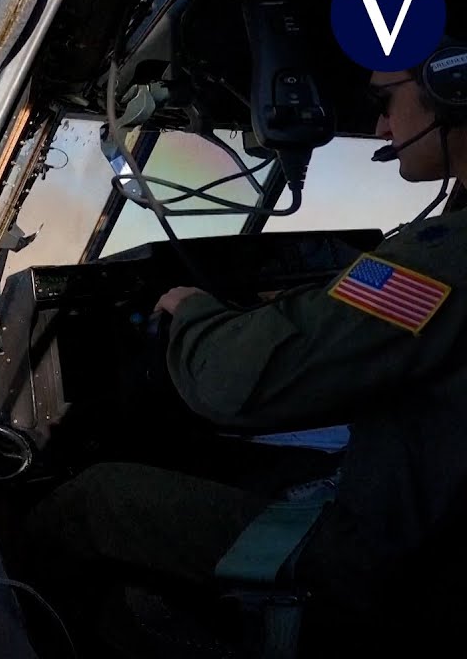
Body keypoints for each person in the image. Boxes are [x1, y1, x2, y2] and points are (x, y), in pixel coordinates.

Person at [26, 37, 467, 648]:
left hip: (390, 570)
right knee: (242, 466)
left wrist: (193, 312)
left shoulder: (441, 259)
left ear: (453, 87)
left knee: (92, 504)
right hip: (429, 533)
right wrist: (302, 311)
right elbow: (361, 328)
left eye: (386, 101)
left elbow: (232, 382)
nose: (381, 127)